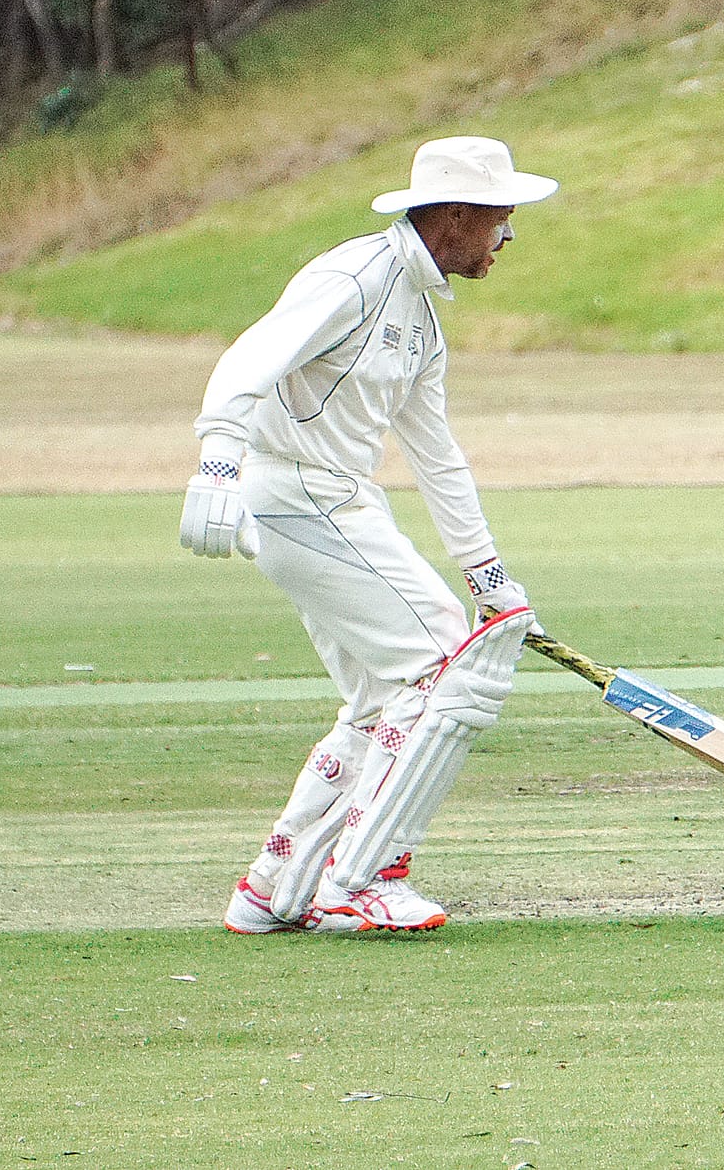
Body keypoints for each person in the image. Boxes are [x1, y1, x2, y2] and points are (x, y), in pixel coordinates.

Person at [180, 135, 557, 934]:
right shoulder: (354, 276)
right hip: (297, 494)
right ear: (454, 215)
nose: (509, 238)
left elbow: (436, 455)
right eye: (501, 219)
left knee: (383, 694)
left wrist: (489, 577)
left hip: (340, 502)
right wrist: (214, 460)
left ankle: (276, 885)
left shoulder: (420, 314)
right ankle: (362, 879)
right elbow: (251, 356)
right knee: (441, 664)